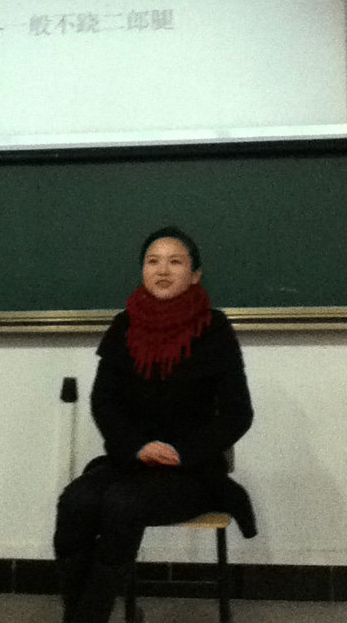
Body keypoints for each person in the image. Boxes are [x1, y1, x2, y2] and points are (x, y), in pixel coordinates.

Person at [54, 226, 256, 623]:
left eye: (175, 261)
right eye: (153, 261)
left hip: (192, 469)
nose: (162, 270)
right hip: (130, 461)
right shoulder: (123, 325)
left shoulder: (214, 329)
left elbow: (238, 413)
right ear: (142, 270)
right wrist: (137, 447)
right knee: (76, 502)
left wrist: (182, 452)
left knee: (122, 504)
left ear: (195, 274)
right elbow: (104, 402)